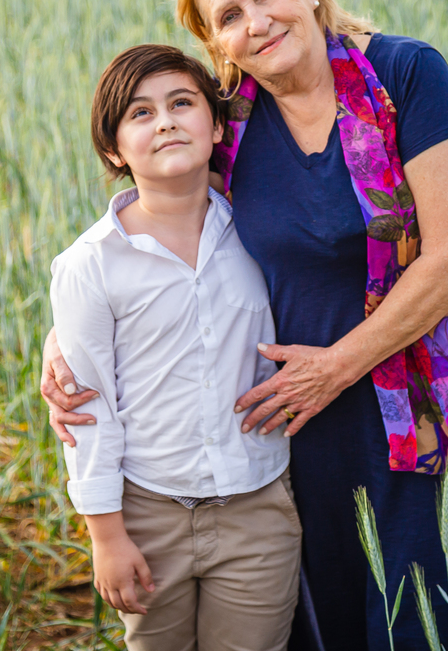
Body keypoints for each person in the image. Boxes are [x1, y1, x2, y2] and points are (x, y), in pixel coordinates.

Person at [44, 0, 448, 650]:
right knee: (336, 605)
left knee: (442, 604)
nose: (258, 20)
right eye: (230, 16)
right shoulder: (234, 122)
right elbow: (155, 220)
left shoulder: (406, 75)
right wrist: (67, 335)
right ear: (219, 45)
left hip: (424, 404)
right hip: (305, 426)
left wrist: (336, 368)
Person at [49, 44, 301, 651]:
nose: (164, 121)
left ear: (216, 126)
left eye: (181, 104)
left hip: (257, 509)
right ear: (113, 149)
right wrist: (106, 536)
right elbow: (88, 409)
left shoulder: (261, 230)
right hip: (147, 512)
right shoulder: (90, 264)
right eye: (139, 113)